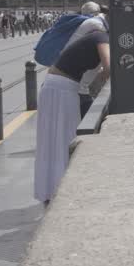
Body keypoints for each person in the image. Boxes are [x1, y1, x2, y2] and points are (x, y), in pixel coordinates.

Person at [35, 17, 109, 205]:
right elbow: (109, 65)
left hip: (54, 85)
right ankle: (65, 189)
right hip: (63, 88)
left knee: (53, 140)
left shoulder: (91, 37)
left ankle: (52, 189)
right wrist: (96, 85)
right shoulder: (100, 37)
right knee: (67, 137)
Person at [65, 2, 108, 118]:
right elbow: (108, 67)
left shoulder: (87, 24)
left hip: (76, 87)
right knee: (89, 122)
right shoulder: (97, 27)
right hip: (76, 89)